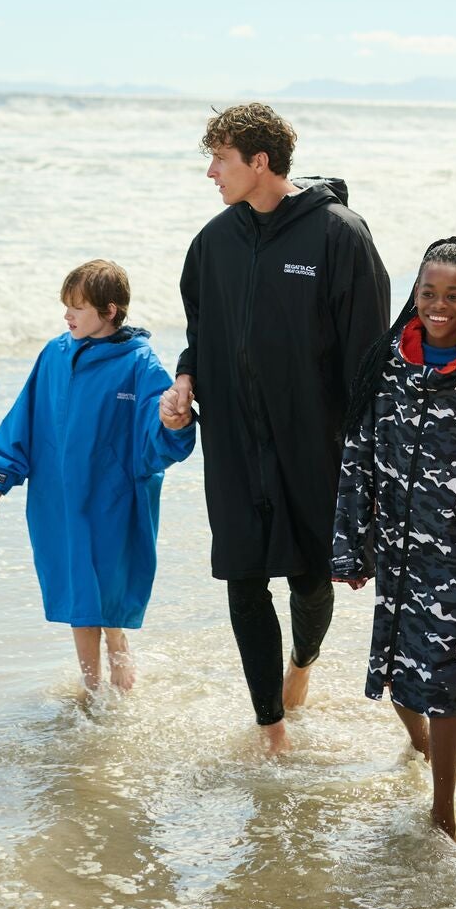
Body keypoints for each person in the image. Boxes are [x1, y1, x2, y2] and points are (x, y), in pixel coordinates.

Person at [159, 103, 391, 755]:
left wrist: (368, 465)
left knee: (309, 581)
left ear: (259, 162)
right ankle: (271, 727)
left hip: (312, 445)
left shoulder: (340, 236)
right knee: (242, 577)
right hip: (233, 441)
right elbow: (201, 335)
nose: (211, 173)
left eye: (220, 159)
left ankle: (303, 662)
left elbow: (369, 359)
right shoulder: (212, 243)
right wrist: (184, 382)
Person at [332, 237, 456, 841]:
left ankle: (443, 814)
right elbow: (358, 457)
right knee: (397, 680)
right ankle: (424, 750)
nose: (439, 305)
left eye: (453, 295)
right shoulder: (385, 365)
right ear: (415, 295)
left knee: (444, 691)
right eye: (428, 293)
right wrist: (349, 545)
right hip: (396, 552)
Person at [0, 259, 196, 697]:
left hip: (114, 497)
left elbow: (160, 433)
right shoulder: (54, 355)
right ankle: (93, 689)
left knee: (108, 583)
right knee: (80, 593)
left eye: (77, 307)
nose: (67, 316)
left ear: (109, 310)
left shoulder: (140, 364)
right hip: (59, 497)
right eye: (66, 306)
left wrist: (174, 423)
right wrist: (0, 476)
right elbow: (24, 418)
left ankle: (116, 647)